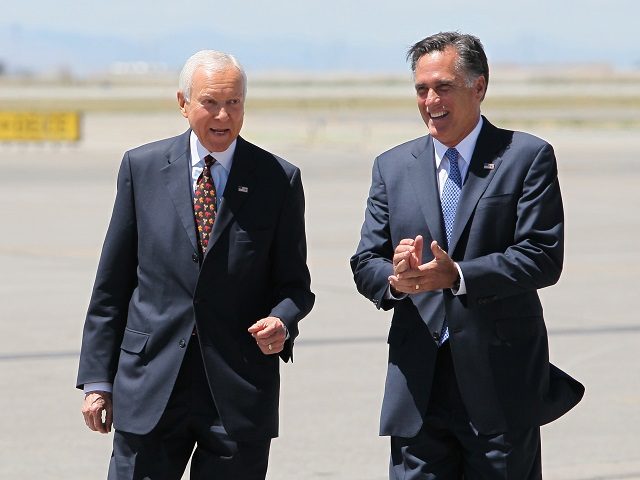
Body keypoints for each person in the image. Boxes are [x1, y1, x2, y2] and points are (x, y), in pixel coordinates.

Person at [350, 32, 584, 479]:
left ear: (478, 88)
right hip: (418, 387)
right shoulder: (392, 166)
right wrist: (396, 281)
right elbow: (366, 262)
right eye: (422, 89)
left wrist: (457, 275)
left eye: (443, 87)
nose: (431, 100)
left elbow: (542, 255)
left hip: (499, 386)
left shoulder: (525, 156)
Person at [77, 50, 314, 480]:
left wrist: (282, 321)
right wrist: (97, 382)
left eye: (235, 103)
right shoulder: (141, 168)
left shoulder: (278, 179)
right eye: (210, 102)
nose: (224, 115)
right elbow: (111, 284)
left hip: (237, 394)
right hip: (150, 385)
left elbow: (295, 286)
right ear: (183, 103)